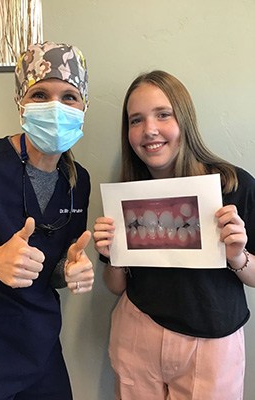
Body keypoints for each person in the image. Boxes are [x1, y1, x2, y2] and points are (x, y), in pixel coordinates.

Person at [93, 70, 255, 400]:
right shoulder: (127, 196)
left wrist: (237, 256)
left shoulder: (232, 185)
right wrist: (112, 256)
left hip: (212, 342)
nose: (149, 129)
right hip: (138, 330)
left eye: (163, 115)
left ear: (184, 119)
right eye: (135, 120)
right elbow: (115, 287)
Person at [0, 42, 94, 400]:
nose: (55, 107)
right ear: (21, 102)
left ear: (84, 107)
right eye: (40, 94)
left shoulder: (78, 181)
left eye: (69, 97)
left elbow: (55, 269)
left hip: (41, 354)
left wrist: (70, 270)